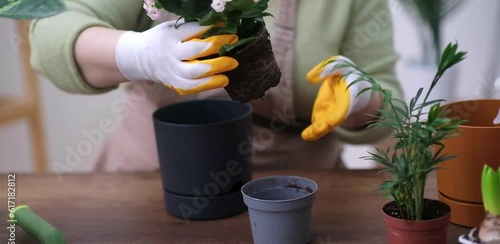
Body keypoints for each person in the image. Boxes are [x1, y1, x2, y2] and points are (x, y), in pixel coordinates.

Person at [29, 0, 403, 172]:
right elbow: (49, 35)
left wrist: (362, 98)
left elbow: (392, 112)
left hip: (294, 194)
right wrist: (138, 54)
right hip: (147, 182)